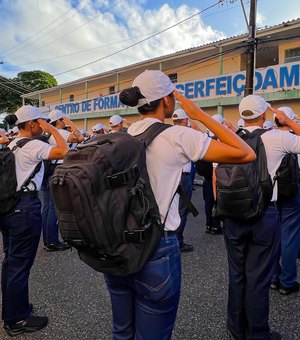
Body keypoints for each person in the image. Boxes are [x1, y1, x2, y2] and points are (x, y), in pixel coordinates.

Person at [104, 69, 255, 340]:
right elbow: (245, 152)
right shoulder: (177, 136)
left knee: (122, 332)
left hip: (117, 246)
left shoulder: (119, 137)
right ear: (166, 101)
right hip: (157, 246)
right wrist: (199, 115)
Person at [222, 95, 300, 340]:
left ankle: (236, 328)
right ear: (264, 115)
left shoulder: (231, 138)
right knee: (257, 277)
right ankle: (257, 334)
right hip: (264, 213)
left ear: (241, 114)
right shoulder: (276, 137)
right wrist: (287, 120)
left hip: (233, 213)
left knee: (237, 274)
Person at [0, 105, 69, 336]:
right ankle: (17, 320)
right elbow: (63, 151)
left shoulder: (11, 143)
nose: (42, 125)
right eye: (39, 122)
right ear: (31, 124)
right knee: (19, 265)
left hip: (8, 207)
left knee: (11, 262)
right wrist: (52, 128)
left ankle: (13, 310)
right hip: (26, 208)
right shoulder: (35, 145)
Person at [40, 109, 83, 251]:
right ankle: (52, 241)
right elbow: (80, 137)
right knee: (54, 208)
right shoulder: (62, 133)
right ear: (59, 121)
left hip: (47, 171)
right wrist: (69, 122)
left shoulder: (47, 135)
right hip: (57, 171)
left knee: (46, 207)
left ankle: (47, 240)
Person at [270, 106, 300, 295]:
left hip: (270, 193)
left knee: (273, 236)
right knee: (290, 235)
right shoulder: (294, 139)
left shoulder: (265, 137)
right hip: (292, 192)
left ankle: (273, 277)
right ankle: (287, 281)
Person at [172, 109, 194, 252]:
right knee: (182, 210)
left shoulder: (167, 133)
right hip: (183, 177)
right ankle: (178, 241)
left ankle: (171, 239)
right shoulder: (186, 135)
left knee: (170, 209)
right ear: (185, 120)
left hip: (170, 175)